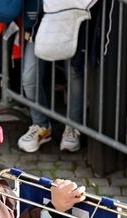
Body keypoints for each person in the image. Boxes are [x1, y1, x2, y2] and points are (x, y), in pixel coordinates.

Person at [16, 0, 85, 153]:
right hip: (42, 21)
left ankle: (73, 126)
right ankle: (41, 125)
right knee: (29, 76)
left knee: (74, 73)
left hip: (74, 19)